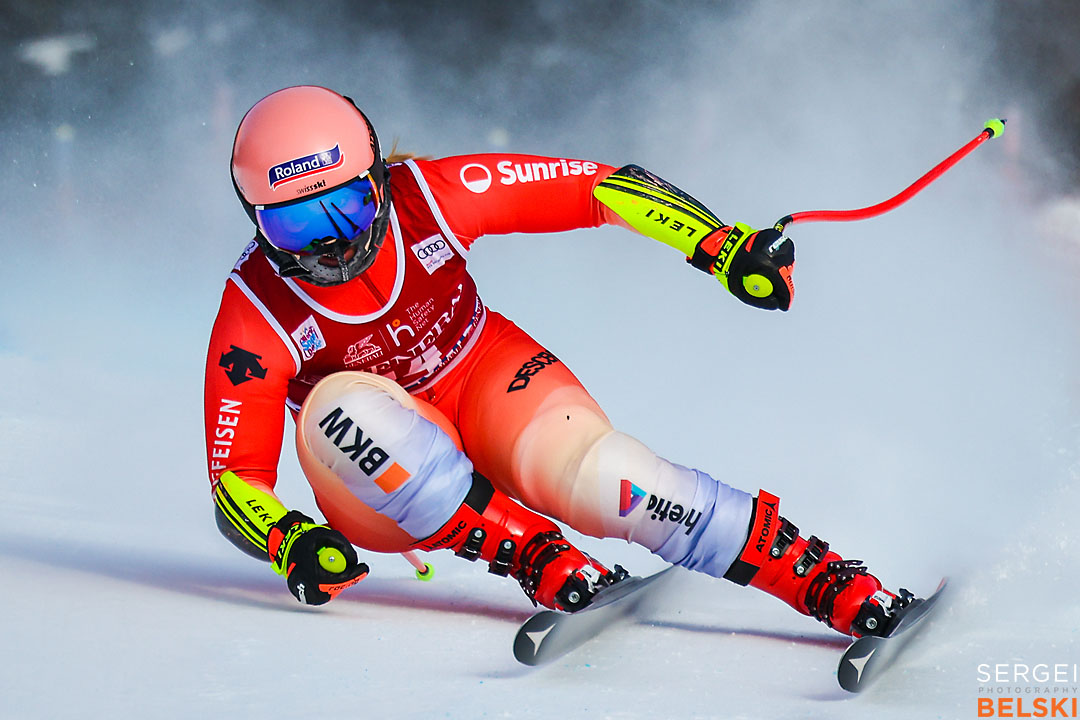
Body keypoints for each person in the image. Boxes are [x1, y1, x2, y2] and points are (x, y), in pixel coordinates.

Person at [204, 85, 911, 637]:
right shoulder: (253, 311)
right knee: (338, 412)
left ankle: (817, 579)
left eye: (350, 208)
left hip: (483, 375)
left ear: (380, 180)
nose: (329, 244)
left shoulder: (433, 196)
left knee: (611, 477)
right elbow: (235, 480)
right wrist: (289, 538)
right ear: (254, 220)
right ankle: (533, 554)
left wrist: (718, 245)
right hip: (377, 483)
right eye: (293, 223)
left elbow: (594, 186)